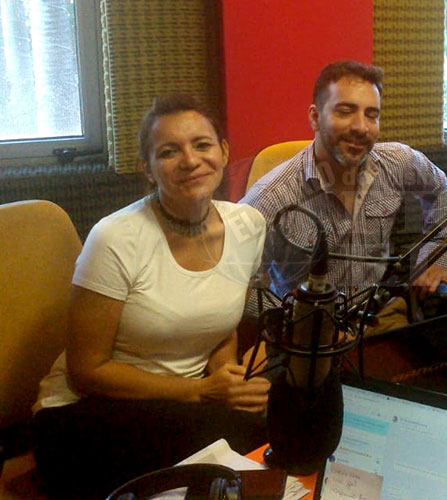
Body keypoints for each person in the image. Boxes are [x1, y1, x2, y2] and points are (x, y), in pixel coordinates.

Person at [31, 94, 271, 499]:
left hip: (187, 401)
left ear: (224, 152)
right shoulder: (115, 237)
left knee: (274, 421)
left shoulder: (249, 225)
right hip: (84, 413)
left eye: (202, 144)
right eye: (169, 152)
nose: (190, 160)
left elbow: (221, 325)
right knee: (248, 439)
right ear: (148, 168)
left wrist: (226, 376)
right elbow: (86, 370)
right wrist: (203, 392)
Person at [242, 61, 447, 325]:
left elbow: (438, 188)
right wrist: (299, 322)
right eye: (345, 112)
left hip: (377, 317)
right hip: (308, 334)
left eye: (371, 115)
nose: (361, 127)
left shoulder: (398, 162)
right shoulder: (271, 196)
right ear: (315, 117)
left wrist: (436, 258)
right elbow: (236, 287)